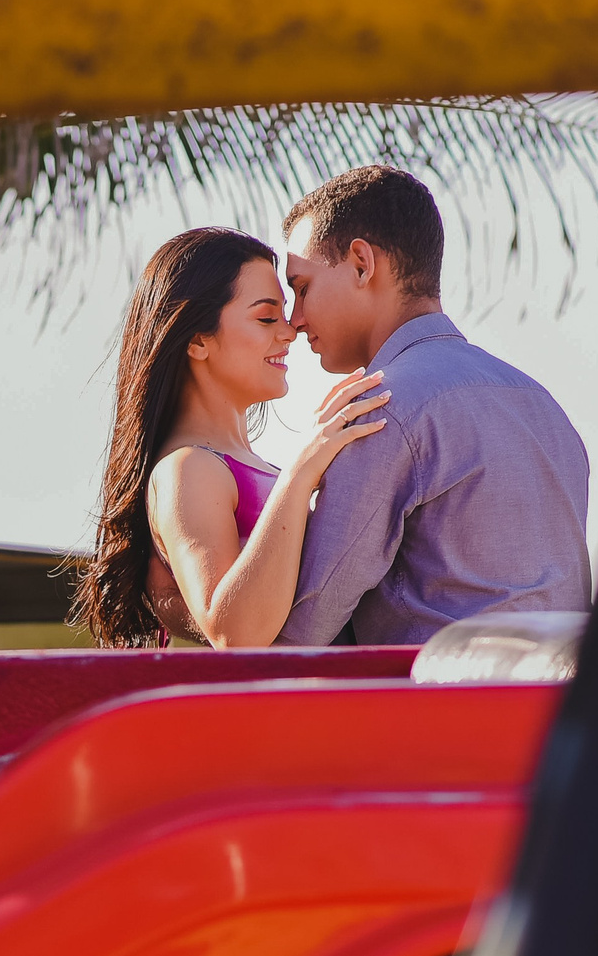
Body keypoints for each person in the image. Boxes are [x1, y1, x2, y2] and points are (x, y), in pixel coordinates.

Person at [276, 165, 591, 644]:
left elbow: (300, 632)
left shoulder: (382, 407)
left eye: (302, 288)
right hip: (557, 710)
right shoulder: (544, 407)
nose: (294, 320)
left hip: (443, 711)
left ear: (362, 263)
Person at [78, 227, 391, 648]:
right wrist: (301, 473)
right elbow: (235, 634)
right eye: (266, 318)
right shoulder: (189, 470)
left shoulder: (239, 467)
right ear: (197, 339)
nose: (289, 331)